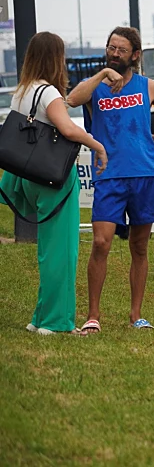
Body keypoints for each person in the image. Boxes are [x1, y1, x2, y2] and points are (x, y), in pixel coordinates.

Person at [67, 27, 154, 333]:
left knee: (139, 247)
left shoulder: (147, 87)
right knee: (100, 242)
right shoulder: (95, 88)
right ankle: (93, 315)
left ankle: (136, 315)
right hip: (109, 175)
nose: (115, 53)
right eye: (111, 48)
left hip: (145, 174)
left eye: (121, 49)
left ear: (135, 55)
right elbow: (71, 100)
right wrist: (102, 74)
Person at [0, 32, 109, 336]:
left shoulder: (22, 90)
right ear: (54, 59)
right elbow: (67, 128)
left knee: (48, 251)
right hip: (54, 180)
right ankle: (56, 322)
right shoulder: (48, 93)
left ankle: (40, 316)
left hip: (29, 177)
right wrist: (96, 145)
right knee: (62, 251)